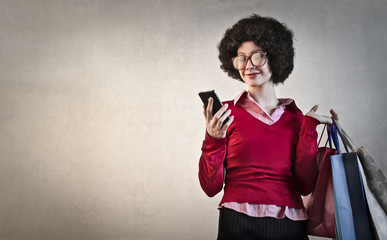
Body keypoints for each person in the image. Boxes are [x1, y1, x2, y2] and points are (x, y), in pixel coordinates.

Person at [198, 14, 338, 240]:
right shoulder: (226, 113)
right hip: (237, 221)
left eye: (258, 56)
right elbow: (210, 187)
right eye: (241, 58)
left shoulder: (297, 119)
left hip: (289, 223)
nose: (248, 65)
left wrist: (310, 127)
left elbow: (305, 185)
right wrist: (213, 140)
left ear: (275, 58)